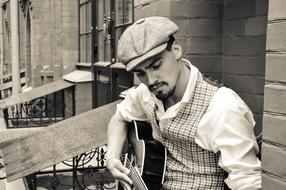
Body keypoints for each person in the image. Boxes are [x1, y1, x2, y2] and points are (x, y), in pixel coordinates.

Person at [106, 16, 261, 190]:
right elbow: (119, 118)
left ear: (176, 50)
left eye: (156, 65)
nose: (150, 80)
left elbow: (247, 181)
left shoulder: (223, 108)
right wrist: (112, 158)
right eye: (140, 73)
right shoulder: (146, 93)